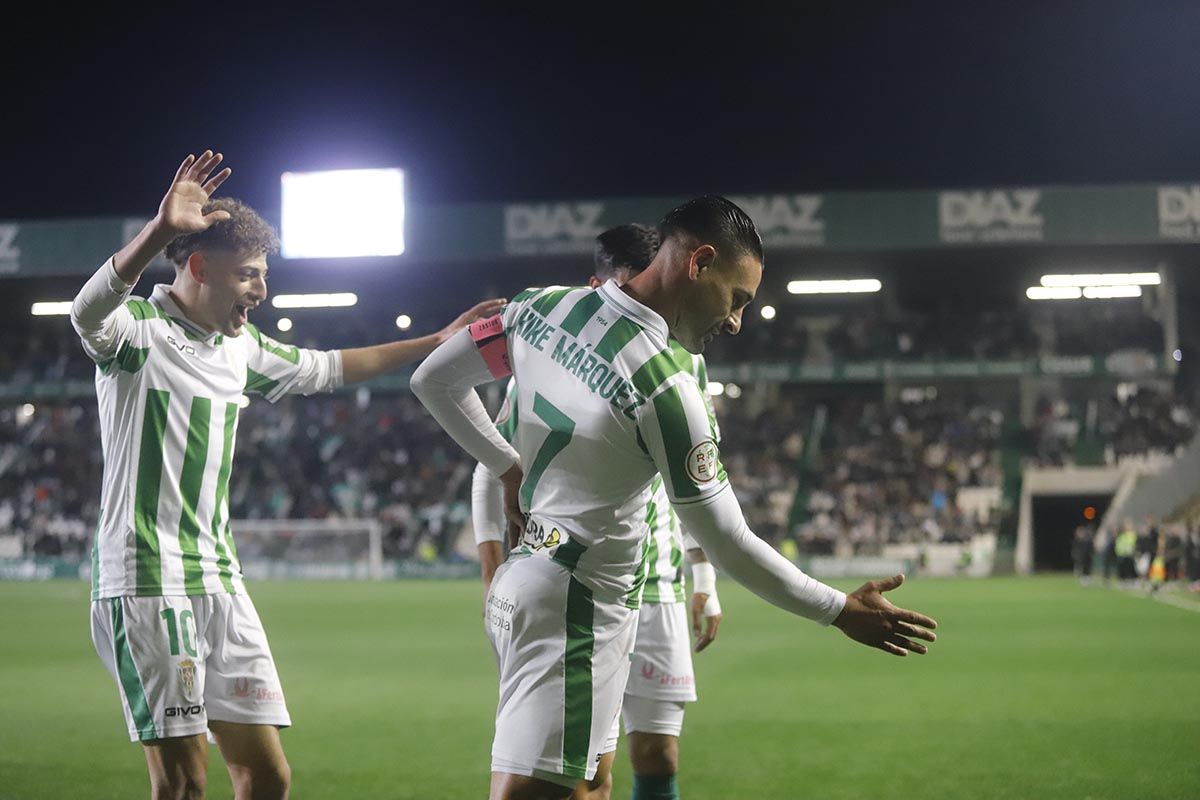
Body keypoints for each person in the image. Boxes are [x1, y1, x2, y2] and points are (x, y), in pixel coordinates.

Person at [412, 195, 938, 800]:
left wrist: (506, 467)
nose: (737, 320)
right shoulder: (665, 386)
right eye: (737, 299)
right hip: (579, 605)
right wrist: (840, 610)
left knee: (589, 787)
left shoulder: (541, 306)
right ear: (701, 262)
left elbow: (433, 379)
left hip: (527, 578)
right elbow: (730, 541)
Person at [73, 151, 503, 800]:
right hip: (146, 580)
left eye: (262, 275)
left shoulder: (241, 348)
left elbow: (330, 367)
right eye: (247, 275)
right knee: (185, 785)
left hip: (220, 580)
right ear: (197, 266)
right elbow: (87, 312)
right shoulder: (136, 332)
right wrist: (158, 230)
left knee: (268, 776)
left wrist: (435, 339)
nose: (261, 291)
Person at [471, 224, 723, 800]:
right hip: (576, 579)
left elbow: (701, 488)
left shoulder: (685, 362)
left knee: (654, 752)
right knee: (578, 773)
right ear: (599, 285)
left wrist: (704, 577)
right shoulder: (555, 346)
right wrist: (490, 569)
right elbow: (489, 461)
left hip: (654, 585)